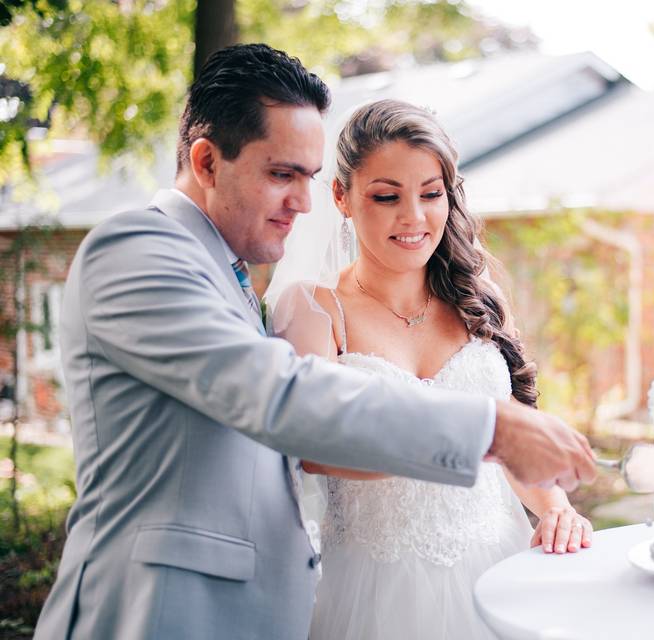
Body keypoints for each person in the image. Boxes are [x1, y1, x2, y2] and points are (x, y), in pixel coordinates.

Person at [33, 44, 595, 640]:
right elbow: (282, 397)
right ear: (206, 162)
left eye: (306, 176)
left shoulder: (228, 272)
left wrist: (553, 504)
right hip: (157, 612)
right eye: (282, 175)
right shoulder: (138, 251)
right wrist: (493, 430)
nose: (302, 202)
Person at [267, 99, 594, 640]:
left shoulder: (476, 298)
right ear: (342, 197)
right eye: (387, 196)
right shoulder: (314, 309)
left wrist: (556, 508)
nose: (414, 218)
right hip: (377, 592)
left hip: (500, 569)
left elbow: (515, 436)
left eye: (431, 194)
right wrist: (479, 435)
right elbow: (317, 445)